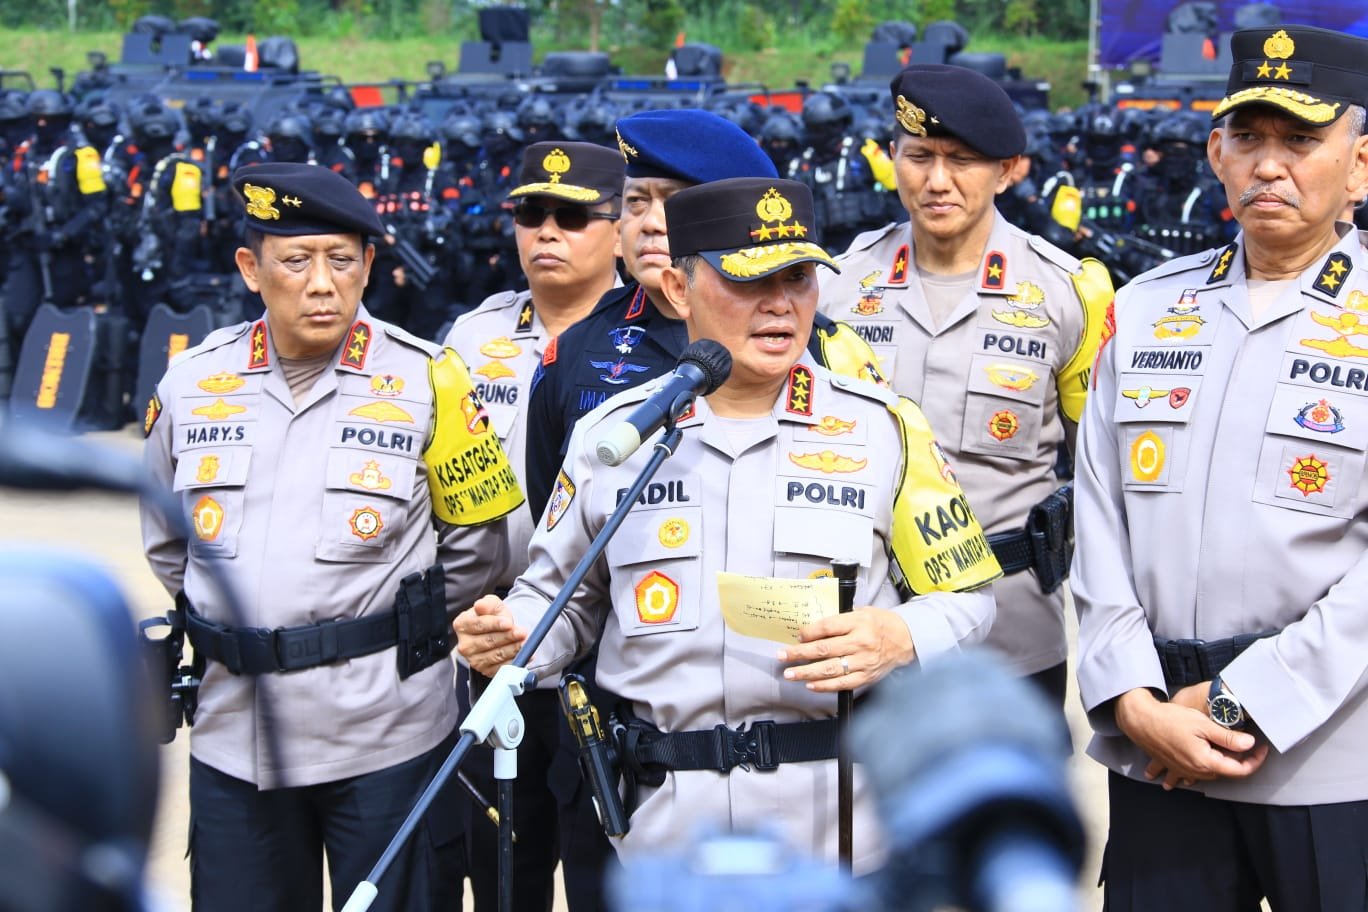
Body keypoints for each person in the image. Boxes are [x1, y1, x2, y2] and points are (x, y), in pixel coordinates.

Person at [454, 176, 1001, 871]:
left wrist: (900, 634)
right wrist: (514, 636)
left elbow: (970, 598)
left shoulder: (885, 429)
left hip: (841, 827)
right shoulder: (615, 438)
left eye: (800, 278)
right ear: (681, 291)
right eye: (749, 281)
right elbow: (562, 599)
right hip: (664, 828)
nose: (780, 304)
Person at [140, 162, 524, 911]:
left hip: (387, 734)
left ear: (369, 265)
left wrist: (399, 633)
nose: (322, 283)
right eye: (296, 261)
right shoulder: (192, 382)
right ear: (252, 269)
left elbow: (483, 545)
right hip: (233, 734)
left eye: (342, 260)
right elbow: (167, 543)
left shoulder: (431, 379)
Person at [1073, 25, 1368, 910]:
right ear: (1215, 152)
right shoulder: (1149, 305)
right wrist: (1129, 696)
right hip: (1162, 749)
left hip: (1329, 756)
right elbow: (1099, 519)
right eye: (1249, 137)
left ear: (1359, 166)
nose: (1269, 166)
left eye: (1302, 141)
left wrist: (1248, 703)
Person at [818, 65, 1114, 707]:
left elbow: (1104, 472)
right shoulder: (840, 287)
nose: (937, 181)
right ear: (891, 158)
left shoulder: (1067, 294)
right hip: (867, 624)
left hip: (1011, 633)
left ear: (1009, 170)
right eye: (918, 156)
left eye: (962, 160)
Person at [524, 108, 884, 520]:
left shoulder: (824, 348)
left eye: (676, 203)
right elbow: (556, 524)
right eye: (636, 202)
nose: (652, 223)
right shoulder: (573, 352)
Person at [440, 140, 625, 912]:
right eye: (530, 213)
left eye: (573, 216)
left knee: (600, 874)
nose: (546, 231)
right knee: (501, 872)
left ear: (620, 227)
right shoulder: (469, 341)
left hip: (610, 650)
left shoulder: (649, 341)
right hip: (493, 641)